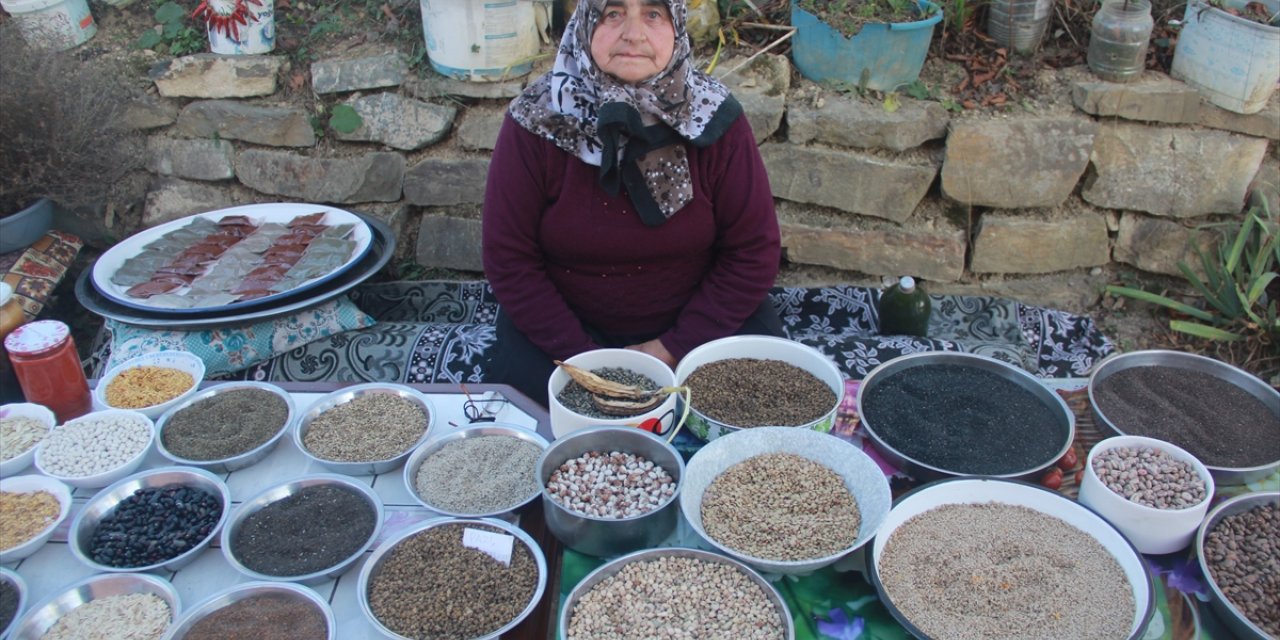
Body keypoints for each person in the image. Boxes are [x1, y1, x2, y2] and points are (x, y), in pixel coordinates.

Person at [482, 0, 783, 406]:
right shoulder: (538, 121)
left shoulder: (714, 118)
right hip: (564, 333)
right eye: (612, 13)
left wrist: (672, 347)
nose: (634, 34)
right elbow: (509, 260)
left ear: (676, 27)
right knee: (539, 423)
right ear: (585, 25)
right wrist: (586, 363)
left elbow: (752, 252)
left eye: (654, 14)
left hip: (698, 325)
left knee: (752, 406)